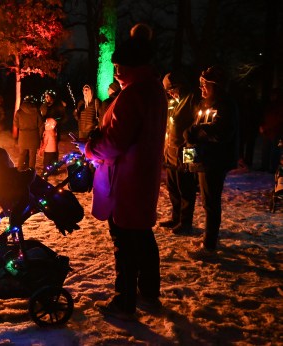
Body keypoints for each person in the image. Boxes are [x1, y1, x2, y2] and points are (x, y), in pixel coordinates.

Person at [84, 23, 167, 320]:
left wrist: (90, 148)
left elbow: (114, 143)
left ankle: (124, 300)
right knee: (142, 235)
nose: (117, 72)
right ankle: (149, 289)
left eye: (120, 66)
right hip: (142, 177)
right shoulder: (154, 90)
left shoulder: (132, 95)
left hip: (125, 180)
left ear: (134, 65)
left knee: (125, 242)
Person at [184, 66, 239, 252]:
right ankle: (209, 236)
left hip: (215, 160)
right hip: (203, 158)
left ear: (215, 85)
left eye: (204, 85)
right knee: (207, 200)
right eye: (200, 85)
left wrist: (195, 132)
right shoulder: (205, 103)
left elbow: (222, 132)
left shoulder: (225, 104)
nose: (201, 88)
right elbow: (198, 125)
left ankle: (210, 241)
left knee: (211, 200)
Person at [159, 72, 199, 235]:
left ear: (179, 86)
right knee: (173, 187)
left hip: (185, 153)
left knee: (186, 188)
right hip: (171, 153)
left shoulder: (191, 100)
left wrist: (189, 158)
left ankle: (185, 222)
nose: (169, 93)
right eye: (167, 90)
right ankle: (176, 218)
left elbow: (196, 127)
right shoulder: (172, 102)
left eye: (171, 89)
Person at [13, 95, 44, 171]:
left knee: (22, 154)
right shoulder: (36, 111)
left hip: (23, 136)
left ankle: (19, 169)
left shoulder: (19, 112)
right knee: (32, 155)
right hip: (34, 136)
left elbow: (16, 124)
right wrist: (40, 137)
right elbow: (41, 125)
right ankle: (31, 171)